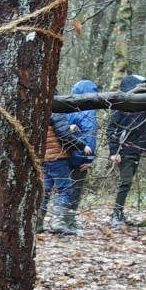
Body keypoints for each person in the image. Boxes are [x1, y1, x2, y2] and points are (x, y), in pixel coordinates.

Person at [47, 79, 98, 234]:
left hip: (63, 154)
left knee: (51, 188)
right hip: (79, 156)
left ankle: (44, 222)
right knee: (73, 189)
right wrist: (88, 158)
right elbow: (90, 133)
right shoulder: (88, 110)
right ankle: (68, 223)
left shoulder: (65, 107)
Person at [107, 74, 146, 226]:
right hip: (124, 148)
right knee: (125, 181)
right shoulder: (120, 106)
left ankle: (119, 213)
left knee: (128, 182)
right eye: (141, 86)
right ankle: (115, 214)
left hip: (136, 149)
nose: (144, 90)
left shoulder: (144, 105)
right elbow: (111, 129)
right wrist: (114, 152)